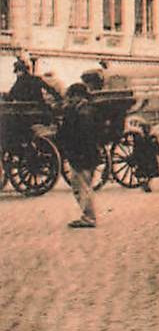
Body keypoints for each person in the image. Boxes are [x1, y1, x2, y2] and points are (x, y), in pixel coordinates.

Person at [57, 83, 102, 227]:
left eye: (72, 96)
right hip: (88, 155)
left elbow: (78, 135)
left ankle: (89, 217)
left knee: (80, 186)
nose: (70, 99)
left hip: (82, 156)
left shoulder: (81, 113)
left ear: (78, 96)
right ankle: (88, 215)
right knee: (84, 185)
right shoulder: (87, 110)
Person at [130, 120, 159, 192]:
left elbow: (157, 147)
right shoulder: (142, 137)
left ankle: (146, 183)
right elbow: (137, 149)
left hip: (148, 157)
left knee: (148, 172)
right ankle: (145, 184)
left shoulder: (151, 137)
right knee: (145, 171)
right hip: (145, 158)